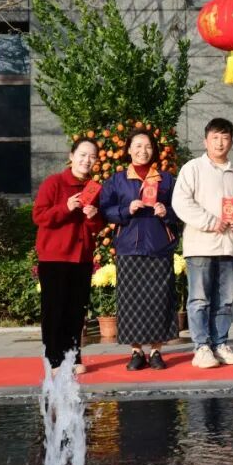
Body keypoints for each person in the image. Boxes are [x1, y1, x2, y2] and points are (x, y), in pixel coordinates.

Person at [100, 128, 181, 370]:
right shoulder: (117, 180)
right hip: (129, 247)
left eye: (147, 146)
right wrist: (126, 210)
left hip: (159, 245)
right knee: (131, 302)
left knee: (160, 300)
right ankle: (136, 352)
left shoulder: (166, 179)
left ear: (153, 150)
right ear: (128, 149)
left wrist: (167, 212)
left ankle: (156, 351)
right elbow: (105, 210)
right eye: (137, 146)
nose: (142, 151)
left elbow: (181, 208)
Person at [171, 118, 233, 369]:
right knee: (200, 299)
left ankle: (220, 343)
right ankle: (201, 347)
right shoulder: (193, 168)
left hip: (228, 246)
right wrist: (210, 221)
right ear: (205, 141)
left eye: (225, 138)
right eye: (215, 137)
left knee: (225, 300)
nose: (220, 143)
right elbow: (181, 202)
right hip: (200, 245)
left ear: (231, 141)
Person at [32, 137, 106, 375]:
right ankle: (54, 359)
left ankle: (73, 356)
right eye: (83, 155)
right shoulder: (54, 183)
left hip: (81, 258)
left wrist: (93, 215)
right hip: (55, 257)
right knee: (54, 310)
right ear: (72, 156)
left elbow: (97, 226)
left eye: (92, 156)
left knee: (77, 310)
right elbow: (39, 216)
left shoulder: (94, 188)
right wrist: (66, 207)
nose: (87, 160)